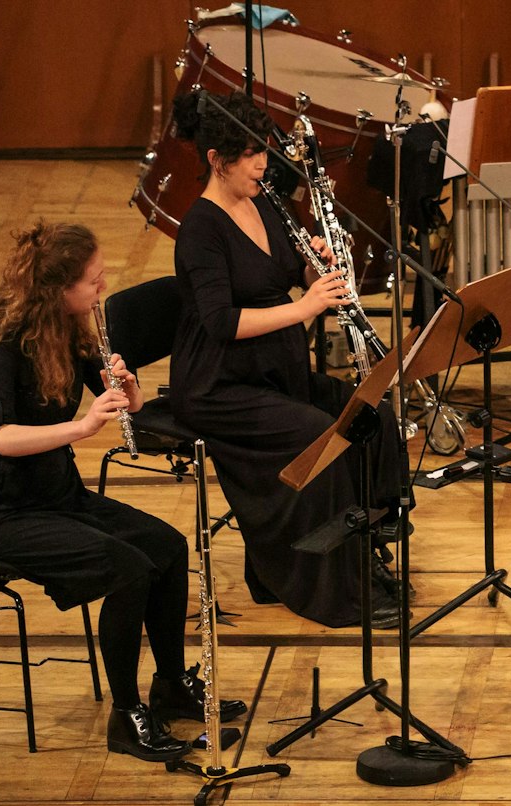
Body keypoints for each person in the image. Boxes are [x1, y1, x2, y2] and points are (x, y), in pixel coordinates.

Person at [0, 223, 245, 761]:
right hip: (4, 511)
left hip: (59, 496)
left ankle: (169, 686)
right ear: (57, 289)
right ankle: (126, 714)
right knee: (129, 567)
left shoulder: (66, 328)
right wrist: (83, 427)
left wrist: (128, 389)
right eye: (93, 281)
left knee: (167, 547)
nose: (102, 287)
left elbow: (124, 405)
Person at [169, 89, 401, 629]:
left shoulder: (263, 201)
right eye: (250, 155)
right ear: (216, 160)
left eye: (263, 153)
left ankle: (366, 549)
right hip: (219, 386)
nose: (262, 164)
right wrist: (305, 308)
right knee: (322, 434)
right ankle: (328, 583)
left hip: (275, 371)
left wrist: (311, 267)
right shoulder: (201, 230)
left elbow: (284, 269)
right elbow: (222, 322)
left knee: (373, 416)